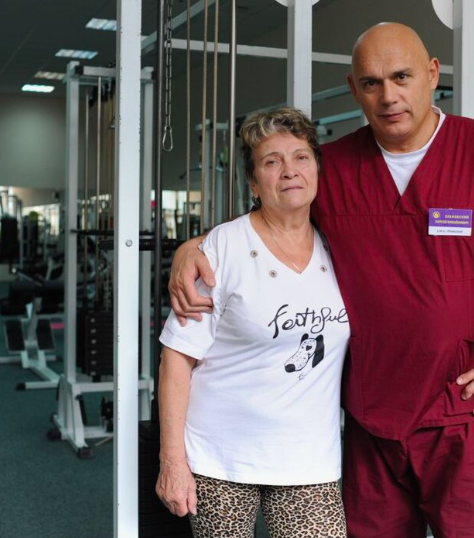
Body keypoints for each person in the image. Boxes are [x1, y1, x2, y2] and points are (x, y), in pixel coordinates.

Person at [169, 23, 474, 538]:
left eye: (401, 77)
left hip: (467, 416)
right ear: (354, 89)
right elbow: (271, 219)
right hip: (372, 423)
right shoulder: (333, 167)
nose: (388, 96)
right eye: (372, 83)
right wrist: (194, 246)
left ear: (432, 74)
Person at [156, 108, 349, 538]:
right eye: (271, 161)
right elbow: (176, 359)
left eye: (301, 157)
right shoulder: (222, 248)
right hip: (221, 457)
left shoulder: (339, 245)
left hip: (309, 459)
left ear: (317, 170)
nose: (289, 171)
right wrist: (172, 461)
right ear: (254, 184)